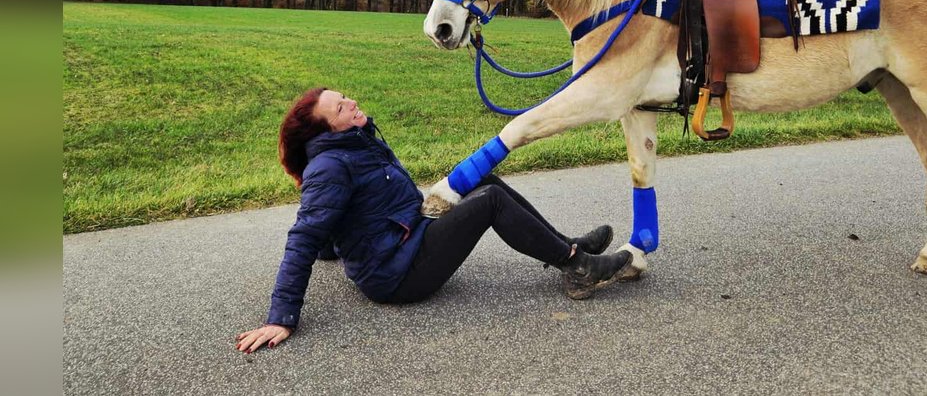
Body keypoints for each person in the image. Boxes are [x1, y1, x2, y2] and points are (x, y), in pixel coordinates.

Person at [235, 87, 631, 353]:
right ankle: (578, 267)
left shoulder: (356, 141)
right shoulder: (330, 166)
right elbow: (305, 234)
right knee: (490, 200)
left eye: (344, 97)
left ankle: (567, 246)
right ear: (326, 128)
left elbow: (335, 220)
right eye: (340, 108)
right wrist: (281, 317)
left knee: (484, 180)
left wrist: (333, 249)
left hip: (411, 233)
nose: (351, 103)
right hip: (398, 275)